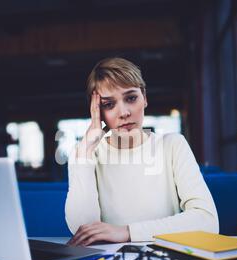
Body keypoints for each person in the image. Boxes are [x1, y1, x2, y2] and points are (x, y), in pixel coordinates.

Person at [65, 57, 218, 246]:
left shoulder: (172, 145)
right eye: (109, 104)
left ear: (144, 98)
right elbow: (83, 229)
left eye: (131, 98)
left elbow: (207, 221)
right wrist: (85, 150)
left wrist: (128, 232)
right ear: (97, 111)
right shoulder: (86, 154)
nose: (124, 112)